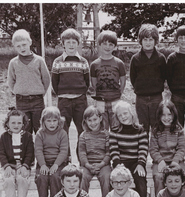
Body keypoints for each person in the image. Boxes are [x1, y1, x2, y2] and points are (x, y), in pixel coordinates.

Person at [51, 28, 89, 160]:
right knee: (63, 130)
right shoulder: (57, 61)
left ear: (78, 43)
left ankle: (82, 158)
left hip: (80, 100)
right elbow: (54, 83)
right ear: (63, 44)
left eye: (74, 42)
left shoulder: (83, 62)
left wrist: (79, 93)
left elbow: (87, 81)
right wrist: (63, 94)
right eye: (68, 42)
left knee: (83, 129)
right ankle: (66, 158)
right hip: (64, 101)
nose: (71, 45)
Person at [7, 29, 50, 134]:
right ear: (14, 47)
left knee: (40, 129)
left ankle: (40, 150)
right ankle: (27, 150)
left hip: (37, 101)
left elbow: (46, 79)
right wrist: (20, 90)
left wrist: (39, 92)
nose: (22, 48)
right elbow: (11, 81)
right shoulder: (13, 63)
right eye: (18, 46)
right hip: (21, 101)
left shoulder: (39, 60)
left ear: (30, 42)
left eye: (24, 44)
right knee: (24, 131)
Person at [109, 100, 149, 197]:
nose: (123, 116)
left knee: (140, 179)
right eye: (120, 115)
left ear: (131, 113)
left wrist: (141, 163)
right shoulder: (114, 130)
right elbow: (113, 149)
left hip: (136, 162)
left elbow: (143, 148)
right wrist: (117, 164)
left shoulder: (140, 130)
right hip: (121, 162)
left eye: (125, 113)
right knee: (115, 179)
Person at [0, 107, 34, 197]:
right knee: (8, 181)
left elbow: (30, 153)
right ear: (7, 123)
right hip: (9, 166)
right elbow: (1, 153)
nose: (16, 125)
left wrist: (25, 166)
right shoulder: (4, 136)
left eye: (19, 122)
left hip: (23, 166)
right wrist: (6, 166)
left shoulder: (28, 136)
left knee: (22, 179)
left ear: (23, 124)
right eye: (13, 122)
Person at [130, 23, 167, 133]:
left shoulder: (161, 58)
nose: (148, 42)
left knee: (157, 127)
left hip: (156, 97)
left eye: (151, 39)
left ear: (156, 41)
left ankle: (156, 150)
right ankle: (143, 150)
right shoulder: (135, 59)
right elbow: (133, 77)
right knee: (142, 127)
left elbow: (163, 76)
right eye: (145, 39)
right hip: (141, 98)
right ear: (140, 41)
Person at [35, 106, 69, 197]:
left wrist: (56, 164)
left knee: (55, 177)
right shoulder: (40, 133)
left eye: (54, 120)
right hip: (43, 163)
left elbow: (64, 150)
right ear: (43, 121)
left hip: (59, 164)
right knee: (41, 177)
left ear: (59, 121)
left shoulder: (62, 133)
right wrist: (43, 165)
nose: (52, 123)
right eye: (48, 120)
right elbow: (38, 150)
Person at [90, 30, 126, 130]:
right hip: (100, 102)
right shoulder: (94, 64)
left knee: (117, 128)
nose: (107, 47)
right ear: (99, 45)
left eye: (110, 44)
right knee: (103, 129)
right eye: (104, 44)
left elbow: (123, 81)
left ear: (114, 46)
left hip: (115, 100)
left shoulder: (119, 63)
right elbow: (94, 83)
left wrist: (119, 94)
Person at [149, 100, 185, 196]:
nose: (166, 118)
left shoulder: (179, 129)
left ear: (174, 114)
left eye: (169, 114)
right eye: (163, 115)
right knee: (158, 177)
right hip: (160, 161)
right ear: (159, 116)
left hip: (176, 160)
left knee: (180, 176)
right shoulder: (155, 130)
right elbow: (153, 149)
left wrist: (175, 161)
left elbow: (181, 148)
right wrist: (160, 160)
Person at [79, 106, 111, 197]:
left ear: (100, 119)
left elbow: (108, 152)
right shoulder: (83, 135)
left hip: (103, 164)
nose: (93, 123)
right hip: (88, 165)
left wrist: (101, 164)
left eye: (95, 119)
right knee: (82, 177)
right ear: (85, 121)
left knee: (107, 177)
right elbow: (82, 153)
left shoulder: (106, 135)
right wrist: (88, 165)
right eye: (89, 120)